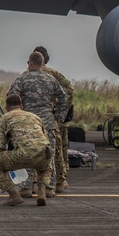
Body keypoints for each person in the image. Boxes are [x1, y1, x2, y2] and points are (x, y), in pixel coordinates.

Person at [8, 50, 67, 197]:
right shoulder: (50, 79)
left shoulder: (22, 79)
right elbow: (64, 97)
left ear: (30, 63)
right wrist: (58, 116)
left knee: (27, 153)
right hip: (47, 121)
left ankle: (27, 187)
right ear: (42, 64)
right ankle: (48, 187)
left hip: (28, 122)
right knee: (48, 154)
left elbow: (11, 96)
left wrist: (19, 112)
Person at [0, 94, 54, 206]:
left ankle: (14, 195)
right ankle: (41, 192)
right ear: (21, 105)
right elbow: (45, 137)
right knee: (45, 168)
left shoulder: (5, 118)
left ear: (7, 107)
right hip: (43, 152)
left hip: (22, 154)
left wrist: (2, 159)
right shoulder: (34, 116)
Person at [35, 45, 75, 193]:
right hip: (51, 118)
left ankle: (33, 182)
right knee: (56, 149)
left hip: (33, 121)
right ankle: (59, 181)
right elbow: (69, 90)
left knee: (32, 149)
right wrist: (60, 113)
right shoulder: (53, 74)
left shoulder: (26, 74)